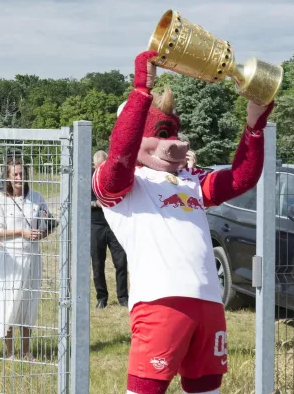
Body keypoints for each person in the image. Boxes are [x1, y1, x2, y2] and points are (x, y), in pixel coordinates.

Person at [93, 51, 274, 394]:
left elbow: (240, 179)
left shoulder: (190, 180)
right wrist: (141, 90)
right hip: (160, 304)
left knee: (207, 390)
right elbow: (120, 155)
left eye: (173, 132)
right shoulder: (122, 184)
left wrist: (254, 125)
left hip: (209, 304)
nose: (174, 143)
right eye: (161, 133)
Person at [0, 158, 54, 361]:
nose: (18, 178)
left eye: (21, 174)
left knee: (28, 302)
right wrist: (21, 232)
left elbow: (47, 223)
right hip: (10, 259)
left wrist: (39, 235)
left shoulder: (36, 197)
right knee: (9, 303)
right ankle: (9, 353)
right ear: (7, 177)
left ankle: (26, 351)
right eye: (14, 174)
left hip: (32, 257)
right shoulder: (0, 199)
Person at [91, 150, 129, 308]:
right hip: (96, 224)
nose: (101, 169)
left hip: (115, 225)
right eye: (98, 166)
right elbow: (80, 201)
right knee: (97, 262)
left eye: (104, 166)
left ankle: (123, 297)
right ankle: (102, 297)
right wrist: (96, 204)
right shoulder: (88, 179)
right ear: (94, 166)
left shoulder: (115, 178)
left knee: (121, 262)